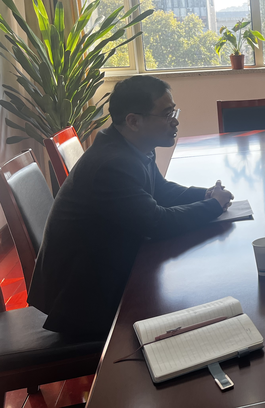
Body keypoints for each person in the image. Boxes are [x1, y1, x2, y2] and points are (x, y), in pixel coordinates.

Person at [28, 76, 234, 338]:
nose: (175, 121)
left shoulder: (132, 147)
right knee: (205, 316)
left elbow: (161, 190)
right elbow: (158, 223)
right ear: (134, 121)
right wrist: (213, 206)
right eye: (166, 114)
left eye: (174, 112)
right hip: (87, 303)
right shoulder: (112, 164)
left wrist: (205, 195)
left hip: (111, 274)